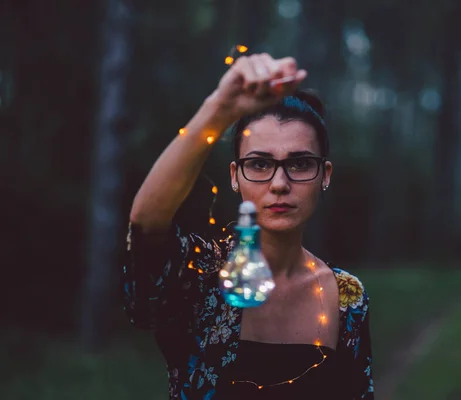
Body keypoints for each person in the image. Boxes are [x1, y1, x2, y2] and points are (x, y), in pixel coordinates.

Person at [122, 52, 374, 400]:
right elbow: (146, 224)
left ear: (325, 176)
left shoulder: (347, 297)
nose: (280, 183)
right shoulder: (200, 273)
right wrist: (220, 108)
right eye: (259, 164)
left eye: (300, 163)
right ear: (234, 176)